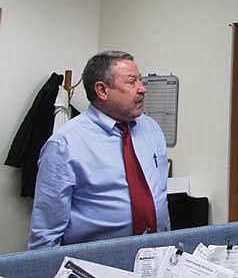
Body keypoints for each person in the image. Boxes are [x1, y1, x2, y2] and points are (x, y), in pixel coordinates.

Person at [28, 51, 170, 248]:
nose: (142, 89)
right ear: (102, 90)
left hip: (156, 257)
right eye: (132, 82)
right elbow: (46, 234)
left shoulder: (151, 129)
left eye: (140, 80)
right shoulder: (65, 144)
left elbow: (158, 198)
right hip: (96, 265)